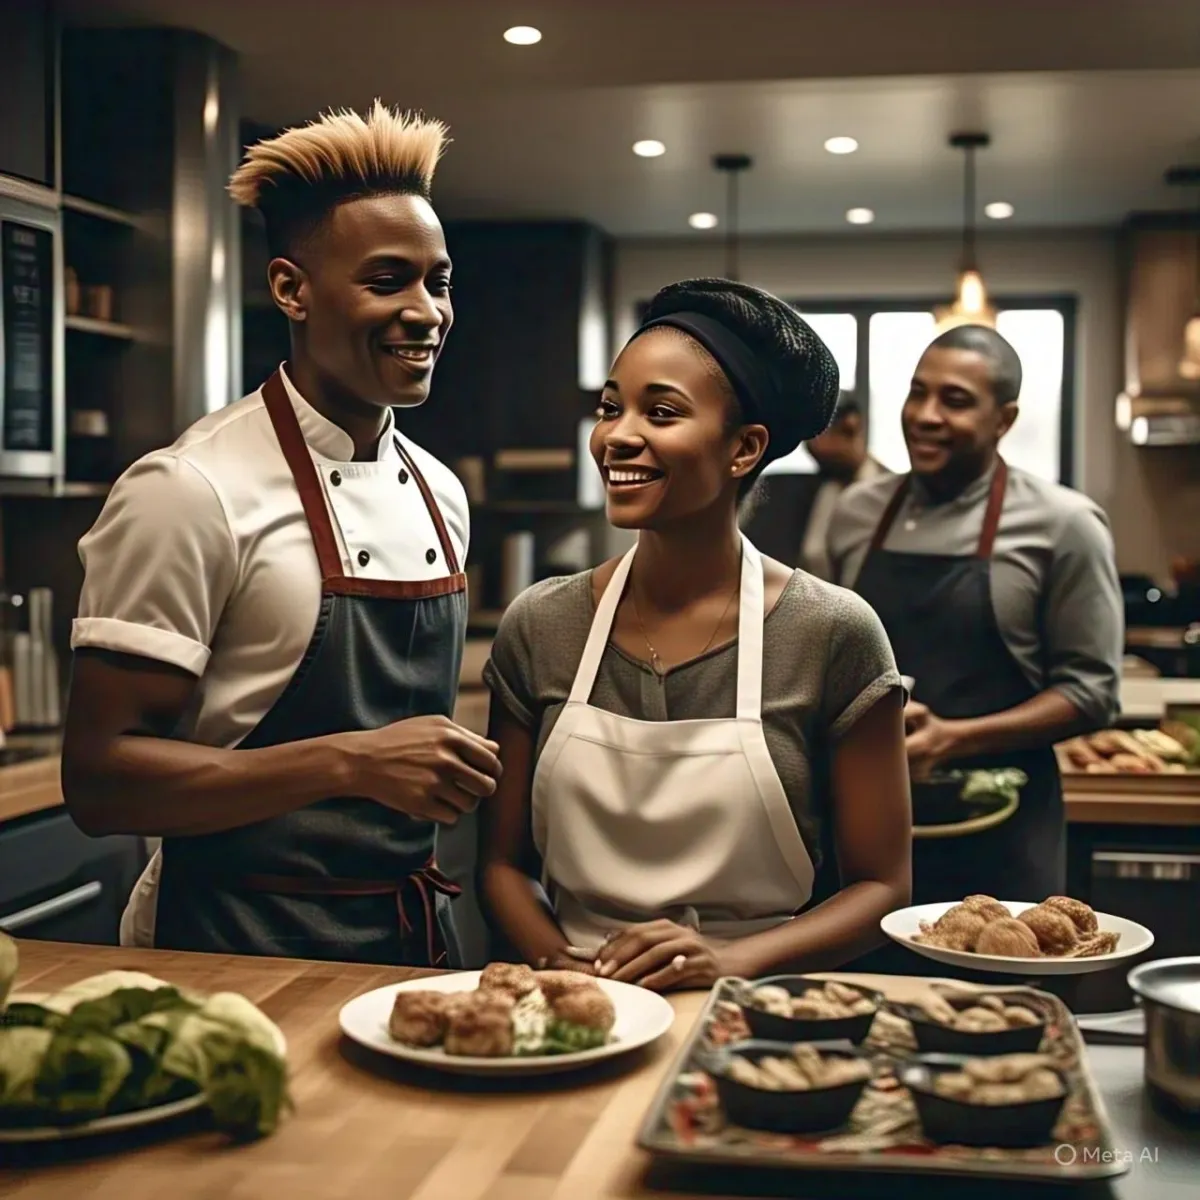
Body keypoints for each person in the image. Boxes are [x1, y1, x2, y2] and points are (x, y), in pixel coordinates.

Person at [61, 102, 502, 966]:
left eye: (437, 282)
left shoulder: (441, 492)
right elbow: (102, 782)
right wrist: (349, 763)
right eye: (386, 281)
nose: (425, 312)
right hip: (231, 945)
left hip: (412, 939)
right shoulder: (188, 491)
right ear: (290, 289)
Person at [478, 278, 912, 990]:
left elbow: (882, 889)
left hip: (754, 1007)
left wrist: (729, 963)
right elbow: (500, 865)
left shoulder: (832, 631)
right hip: (571, 1004)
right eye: (611, 407)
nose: (617, 434)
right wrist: (569, 975)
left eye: (662, 411)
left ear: (744, 449)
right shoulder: (542, 624)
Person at [827, 323, 1123, 908]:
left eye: (955, 401)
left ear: (1004, 420)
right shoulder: (857, 512)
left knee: (999, 1001)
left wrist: (955, 739)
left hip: (1002, 837)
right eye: (918, 393)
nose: (926, 415)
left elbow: (1093, 692)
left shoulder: (1065, 525)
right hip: (868, 837)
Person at [743, 395, 887, 580]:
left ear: (849, 427)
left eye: (815, 435)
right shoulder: (814, 489)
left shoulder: (889, 492)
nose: (809, 446)